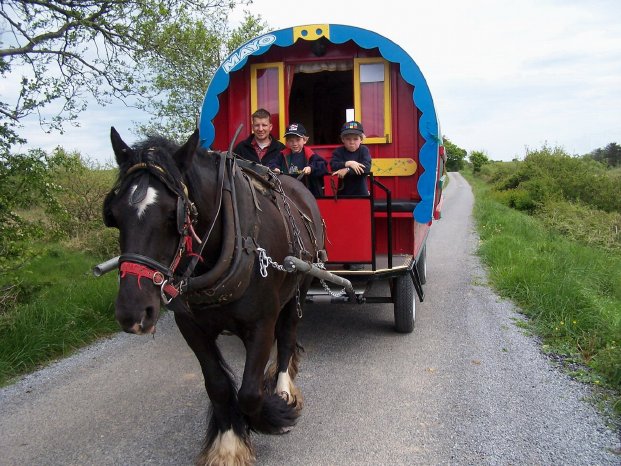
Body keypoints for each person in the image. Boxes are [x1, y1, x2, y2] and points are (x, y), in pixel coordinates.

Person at [275, 122, 328, 197]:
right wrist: (275, 168)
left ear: (305, 140)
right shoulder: (282, 155)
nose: (295, 143)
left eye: (298, 140)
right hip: (287, 194)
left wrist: (311, 168)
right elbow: (272, 164)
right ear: (287, 142)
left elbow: (323, 166)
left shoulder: (310, 155)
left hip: (309, 195)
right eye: (291, 140)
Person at [330, 121, 372, 196]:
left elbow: (366, 167)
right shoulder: (338, 151)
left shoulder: (364, 150)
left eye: (355, 139)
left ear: (361, 140)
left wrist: (347, 170)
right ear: (343, 139)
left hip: (361, 193)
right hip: (342, 193)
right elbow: (333, 165)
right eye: (348, 139)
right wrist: (348, 163)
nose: (352, 142)